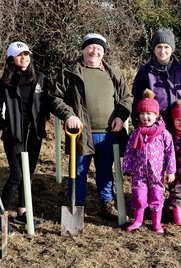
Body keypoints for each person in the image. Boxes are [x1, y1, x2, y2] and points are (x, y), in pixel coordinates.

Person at [49, 33, 133, 220]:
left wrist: (120, 117)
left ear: (103, 53)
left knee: (105, 172)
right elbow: (54, 97)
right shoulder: (70, 72)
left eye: (99, 48)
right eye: (91, 47)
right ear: (83, 49)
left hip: (108, 134)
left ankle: (106, 204)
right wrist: (69, 115)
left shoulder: (113, 74)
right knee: (78, 171)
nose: (94, 51)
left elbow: (127, 98)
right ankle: (76, 206)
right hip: (80, 134)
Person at [0, 41, 50, 233]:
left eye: (26, 54)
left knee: (28, 175)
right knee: (16, 175)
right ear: (11, 59)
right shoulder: (4, 83)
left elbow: (49, 104)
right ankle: (0, 216)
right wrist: (3, 126)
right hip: (14, 136)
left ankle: (22, 212)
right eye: (19, 54)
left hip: (34, 135)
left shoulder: (41, 79)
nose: (24, 57)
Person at [122, 89, 176, 233]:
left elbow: (171, 152)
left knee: (156, 197)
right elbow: (129, 151)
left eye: (149, 114)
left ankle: (156, 223)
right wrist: (126, 167)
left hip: (157, 174)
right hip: (139, 173)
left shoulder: (164, 134)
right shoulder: (136, 133)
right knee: (139, 197)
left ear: (156, 115)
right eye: (142, 114)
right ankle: (138, 220)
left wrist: (171, 171)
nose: (145, 117)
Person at [131, 28, 181, 130]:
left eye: (166, 47)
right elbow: (137, 100)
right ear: (154, 49)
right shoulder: (145, 71)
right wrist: (138, 124)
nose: (162, 51)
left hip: (179, 125)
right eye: (159, 47)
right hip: (155, 128)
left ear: (172, 49)